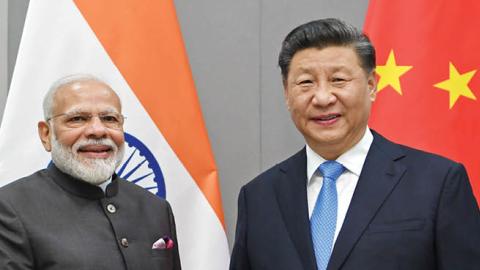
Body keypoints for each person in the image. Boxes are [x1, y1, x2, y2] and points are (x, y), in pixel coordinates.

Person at [230, 18, 480, 270]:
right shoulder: (258, 197)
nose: (323, 97)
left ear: (371, 85)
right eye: (306, 82)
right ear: (287, 93)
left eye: (338, 80)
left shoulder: (437, 183)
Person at [0, 74, 181, 270]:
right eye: (77, 119)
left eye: (109, 119)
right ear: (46, 134)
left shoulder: (155, 209)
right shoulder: (10, 208)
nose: (98, 130)